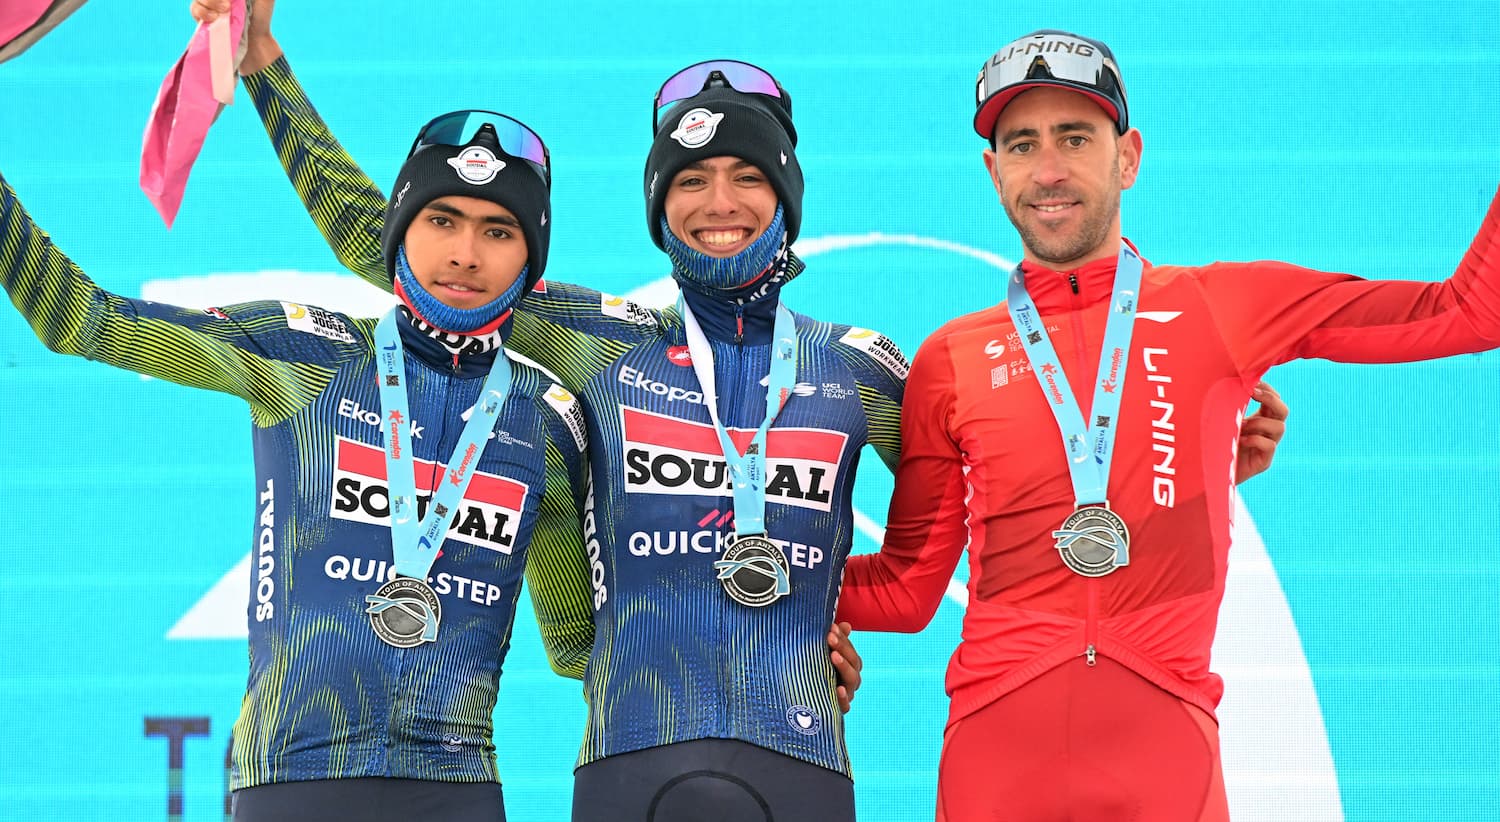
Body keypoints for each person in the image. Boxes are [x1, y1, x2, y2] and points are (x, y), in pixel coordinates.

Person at [192, 6, 1285, 819]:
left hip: (799, 763)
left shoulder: (860, 371)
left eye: (745, 178)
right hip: (629, 760)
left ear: (787, 196)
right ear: (659, 206)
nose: (720, 203)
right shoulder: (599, 339)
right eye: (689, 182)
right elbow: (398, 248)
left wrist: (1195, 431)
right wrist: (267, 72)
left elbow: (1024, 475)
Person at [835, 28, 1500, 822]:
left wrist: (1195, 466)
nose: (1048, 170)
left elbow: (1468, 311)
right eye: (1022, 145)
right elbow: (908, 592)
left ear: (1129, 156)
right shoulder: (950, 357)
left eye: (1075, 138)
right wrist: (740, 580)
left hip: (1166, 749)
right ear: (994, 172)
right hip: (995, 752)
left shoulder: (1222, 308)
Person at [0, 75, 602, 819]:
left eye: (499, 232)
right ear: (399, 234)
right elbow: (84, 322)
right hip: (292, 777)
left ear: (529, 262)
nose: (466, 254)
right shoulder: (303, 356)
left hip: (457, 789)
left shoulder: (543, 424)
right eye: (441, 220)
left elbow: (579, 644)